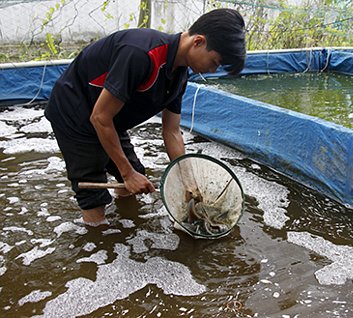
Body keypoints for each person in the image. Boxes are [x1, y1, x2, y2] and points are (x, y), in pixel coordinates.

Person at [44, 9, 246, 227]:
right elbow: (100, 117)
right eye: (215, 61)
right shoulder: (141, 53)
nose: (212, 69)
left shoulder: (179, 75)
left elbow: (172, 131)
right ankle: (96, 237)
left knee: (136, 177)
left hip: (110, 118)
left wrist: (187, 181)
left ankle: (123, 228)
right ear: (198, 41)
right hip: (75, 113)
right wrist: (127, 173)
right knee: (94, 192)